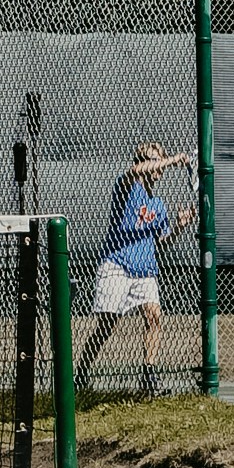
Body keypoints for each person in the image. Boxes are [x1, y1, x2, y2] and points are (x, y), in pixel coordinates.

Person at [77, 143, 188, 394]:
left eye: (158, 160)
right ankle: (82, 371)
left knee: (154, 316)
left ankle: (148, 377)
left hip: (145, 270)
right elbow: (134, 170)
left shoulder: (158, 204)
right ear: (141, 162)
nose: (156, 166)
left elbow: (163, 241)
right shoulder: (126, 187)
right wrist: (171, 161)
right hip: (117, 265)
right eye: (151, 160)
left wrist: (180, 226)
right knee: (107, 325)